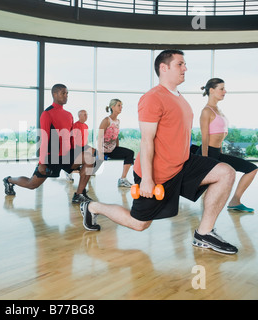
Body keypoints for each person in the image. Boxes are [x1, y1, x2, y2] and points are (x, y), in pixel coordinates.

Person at [80, 49, 238, 255]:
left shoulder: (180, 98)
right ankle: (93, 207)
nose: (185, 68)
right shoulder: (152, 98)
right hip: (157, 173)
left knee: (225, 173)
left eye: (184, 64)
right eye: (180, 64)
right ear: (164, 68)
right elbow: (146, 141)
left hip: (182, 163)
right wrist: (147, 179)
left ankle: (204, 233)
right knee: (139, 224)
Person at [3, 84, 98, 203]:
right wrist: (42, 163)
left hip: (67, 154)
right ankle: (9, 180)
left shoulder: (69, 115)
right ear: (54, 94)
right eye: (63, 93)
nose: (66, 96)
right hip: (51, 157)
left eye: (67, 93)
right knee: (32, 184)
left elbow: (70, 137)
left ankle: (79, 194)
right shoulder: (47, 114)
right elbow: (44, 139)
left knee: (89, 158)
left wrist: (79, 151)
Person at [197, 78, 257, 212]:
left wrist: (221, 152)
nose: (225, 91)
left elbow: (220, 135)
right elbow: (204, 138)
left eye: (224, 88)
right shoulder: (206, 111)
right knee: (194, 184)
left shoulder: (218, 110)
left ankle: (235, 201)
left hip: (218, 153)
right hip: (208, 153)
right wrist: (205, 160)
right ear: (212, 90)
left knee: (252, 169)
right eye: (221, 89)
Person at [98, 99, 134, 187]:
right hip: (105, 151)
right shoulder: (106, 120)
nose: (121, 107)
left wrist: (118, 147)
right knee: (91, 169)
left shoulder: (118, 121)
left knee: (130, 153)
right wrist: (100, 153)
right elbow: (99, 137)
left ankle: (122, 179)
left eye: (121, 105)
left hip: (113, 149)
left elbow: (116, 135)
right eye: (119, 105)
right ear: (112, 107)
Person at [66, 109, 89, 182]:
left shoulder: (86, 126)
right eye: (84, 114)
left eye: (87, 114)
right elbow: (73, 138)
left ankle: (87, 172)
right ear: (79, 116)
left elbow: (85, 138)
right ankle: (68, 172)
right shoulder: (75, 125)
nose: (86, 116)